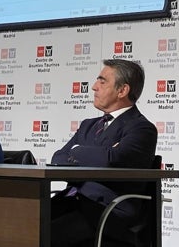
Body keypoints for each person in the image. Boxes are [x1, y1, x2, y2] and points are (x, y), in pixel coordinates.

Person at [49, 59, 157, 247]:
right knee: (19, 225)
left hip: (107, 211)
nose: (93, 87)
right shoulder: (88, 125)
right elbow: (58, 158)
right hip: (71, 202)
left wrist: (76, 151)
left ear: (122, 90)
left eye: (102, 81)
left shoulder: (141, 128)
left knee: (44, 236)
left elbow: (111, 159)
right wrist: (94, 153)